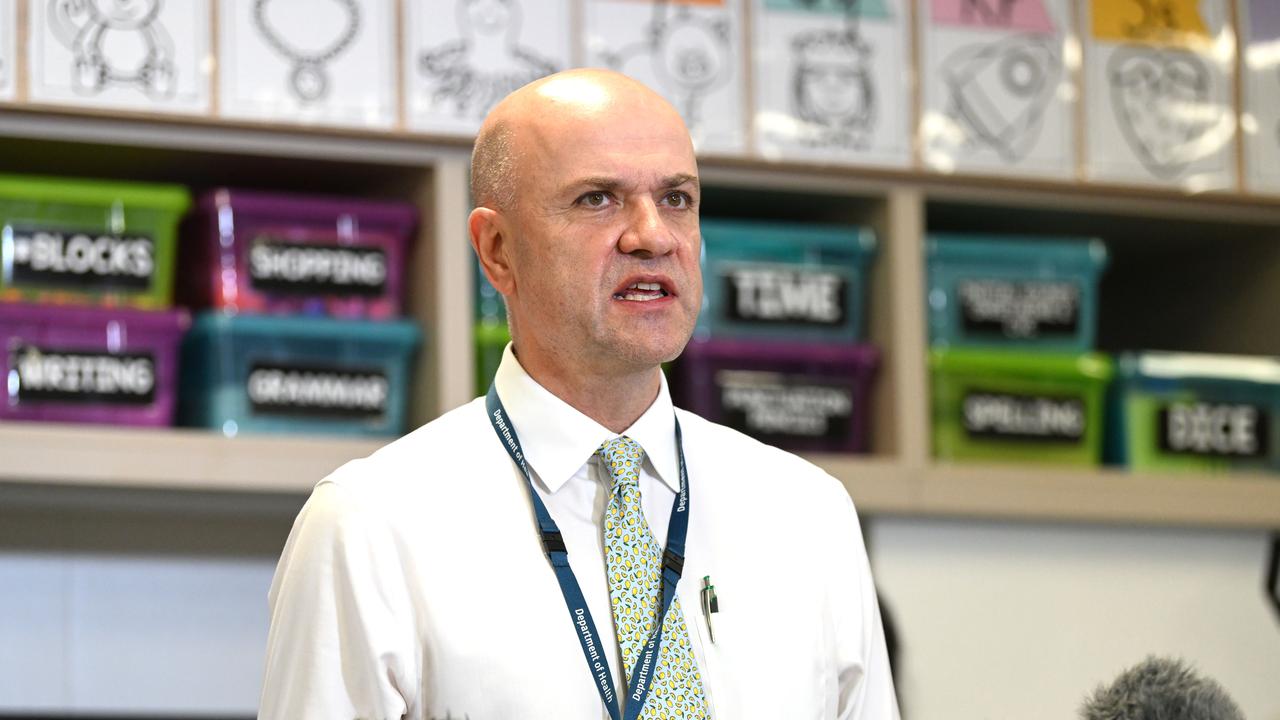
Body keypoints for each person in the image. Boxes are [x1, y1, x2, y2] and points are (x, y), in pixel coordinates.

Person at [258, 68, 899, 719]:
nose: (652, 235)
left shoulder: (808, 515)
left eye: (676, 198)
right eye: (599, 199)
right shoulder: (371, 526)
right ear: (498, 250)